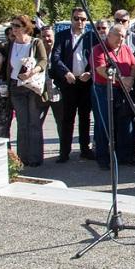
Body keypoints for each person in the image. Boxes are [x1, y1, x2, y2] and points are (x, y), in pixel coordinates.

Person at [91, 24, 135, 168]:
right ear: (110, 34)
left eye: (123, 36)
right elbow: (100, 69)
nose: (121, 38)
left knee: (125, 123)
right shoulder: (99, 49)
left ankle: (124, 156)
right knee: (104, 124)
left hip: (123, 90)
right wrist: (121, 79)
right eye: (118, 35)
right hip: (104, 89)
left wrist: (130, 78)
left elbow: (134, 66)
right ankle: (103, 158)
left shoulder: (126, 48)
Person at [50, 8, 95, 162]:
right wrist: (66, 72)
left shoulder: (91, 37)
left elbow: (96, 58)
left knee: (85, 117)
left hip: (85, 82)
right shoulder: (62, 36)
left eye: (83, 19)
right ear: (71, 19)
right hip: (69, 82)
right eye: (76, 18)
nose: (80, 22)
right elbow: (55, 58)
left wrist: (89, 72)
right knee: (67, 118)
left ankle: (85, 149)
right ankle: (64, 152)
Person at [6, 15, 48, 167]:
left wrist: (32, 72)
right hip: (16, 86)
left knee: (34, 123)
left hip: (32, 86)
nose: (14, 29)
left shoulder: (36, 42)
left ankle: (35, 158)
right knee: (22, 123)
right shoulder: (11, 44)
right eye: (12, 25)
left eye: (17, 25)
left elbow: (43, 60)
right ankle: (22, 158)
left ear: (25, 27)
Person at [38, 26, 65, 141]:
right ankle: (37, 154)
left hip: (57, 93)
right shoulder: (36, 53)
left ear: (54, 37)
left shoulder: (59, 52)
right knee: (37, 124)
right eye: (43, 36)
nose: (46, 39)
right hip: (41, 94)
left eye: (49, 36)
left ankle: (63, 153)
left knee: (62, 124)